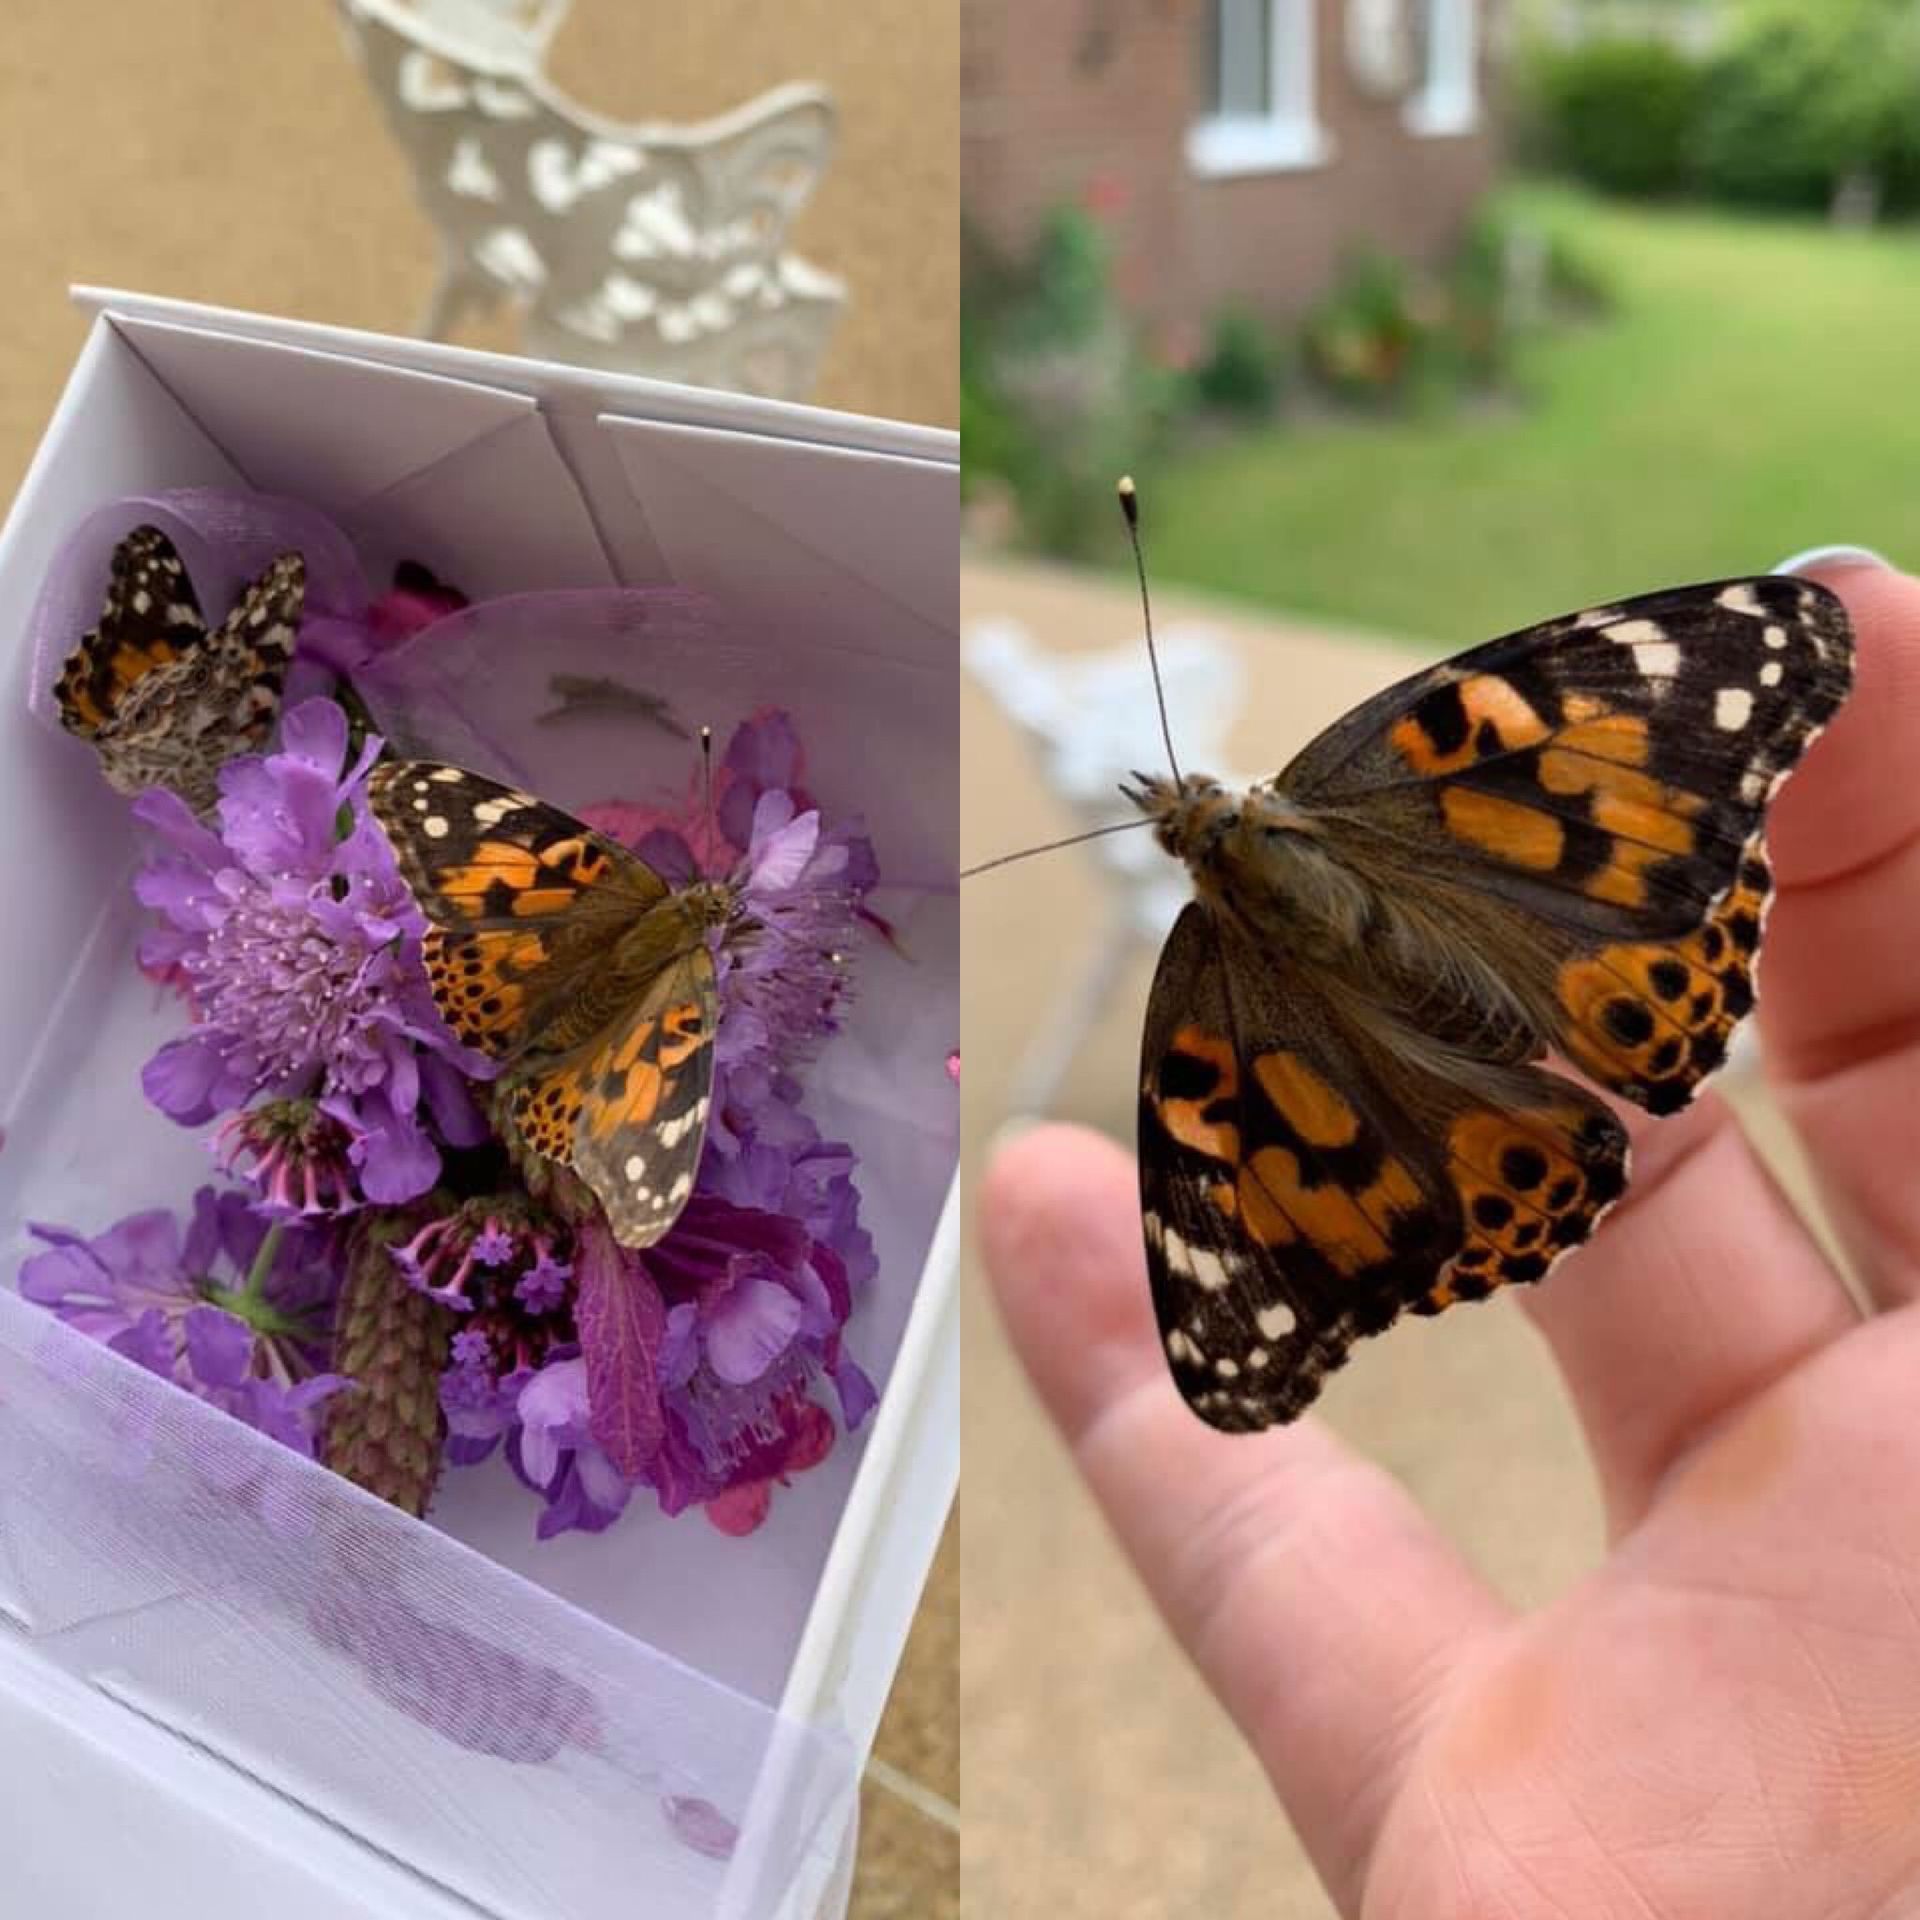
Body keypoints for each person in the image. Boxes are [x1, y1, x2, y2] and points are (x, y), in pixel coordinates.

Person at [980, 552, 1920, 1916]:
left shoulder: (1200, 1012)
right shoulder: (1389, 769)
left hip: (1473, 1104)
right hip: (1590, 947)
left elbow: (1270, 1215)